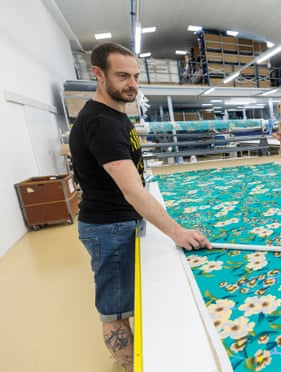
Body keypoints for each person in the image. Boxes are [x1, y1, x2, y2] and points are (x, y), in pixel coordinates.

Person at [69, 42, 210, 372]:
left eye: (135, 76)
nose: (132, 83)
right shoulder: (100, 123)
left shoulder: (116, 115)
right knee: (116, 312)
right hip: (109, 229)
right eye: (122, 76)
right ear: (98, 75)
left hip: (119, 223)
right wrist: (178, 232)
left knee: (131, 302)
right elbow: (132, 192)